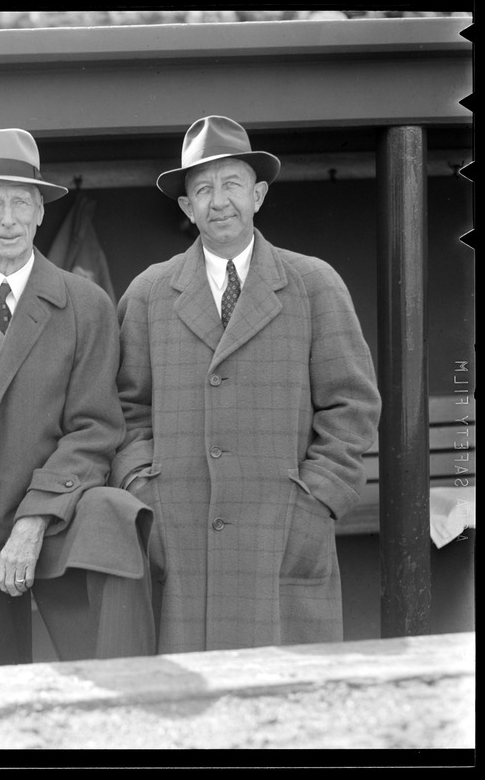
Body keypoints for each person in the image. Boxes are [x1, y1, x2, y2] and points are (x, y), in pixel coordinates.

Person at [113, 115, 382, 654]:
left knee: (285, 715)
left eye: (232, 184)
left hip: (282, 534)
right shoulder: (148, 293)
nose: (219, 201)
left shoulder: (313, 284)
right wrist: (146, 495)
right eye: (203, 189)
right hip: (181, 538)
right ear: (187, 208)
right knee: (190, 716)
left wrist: (317, 502)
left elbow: (352, 406)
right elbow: (125, 411)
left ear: (258, 195)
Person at [0, 128, 154, 670]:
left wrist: (34, 518)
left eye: (22, 202)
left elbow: (96, 430)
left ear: (41, 211)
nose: (9, 219)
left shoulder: (87, 305)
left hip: (55, 535)